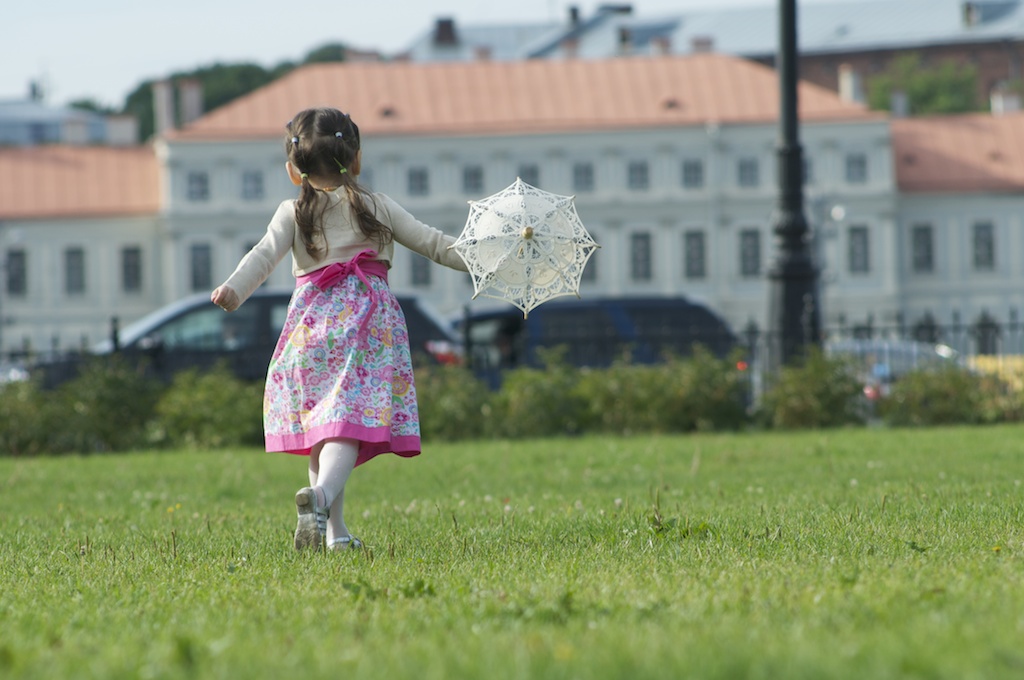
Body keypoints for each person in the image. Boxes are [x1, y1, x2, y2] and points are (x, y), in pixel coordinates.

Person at [211, 107, 468, 552]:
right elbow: (434, 244)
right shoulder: (376, 206)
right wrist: (485, 258)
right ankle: (323, 500)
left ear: (293, 169)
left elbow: (262, 255)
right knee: (346, 427)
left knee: (324, 428)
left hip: (310, 327)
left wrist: (234, 290)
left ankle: (336, 534)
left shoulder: (291, 211)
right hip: (366, 327)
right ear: (357, 159)